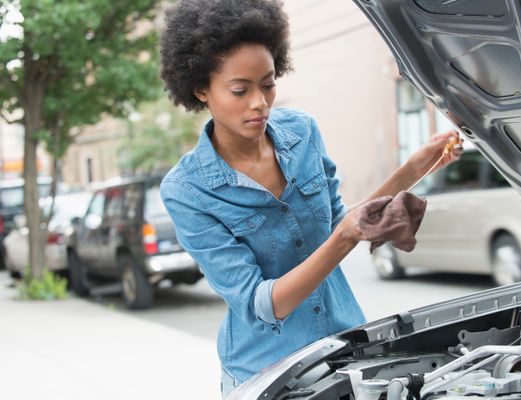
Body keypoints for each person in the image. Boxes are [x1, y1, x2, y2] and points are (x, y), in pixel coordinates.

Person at [158, 0, 461, 397]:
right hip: (266, 372)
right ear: (201, 89)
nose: (259, 102)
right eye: (240, 90)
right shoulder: (186, 190)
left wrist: (414, 169)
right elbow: (263, 305)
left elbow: (341, 223)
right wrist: (345, 237)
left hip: (344, 348)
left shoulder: (302, 132)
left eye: (268, 83)